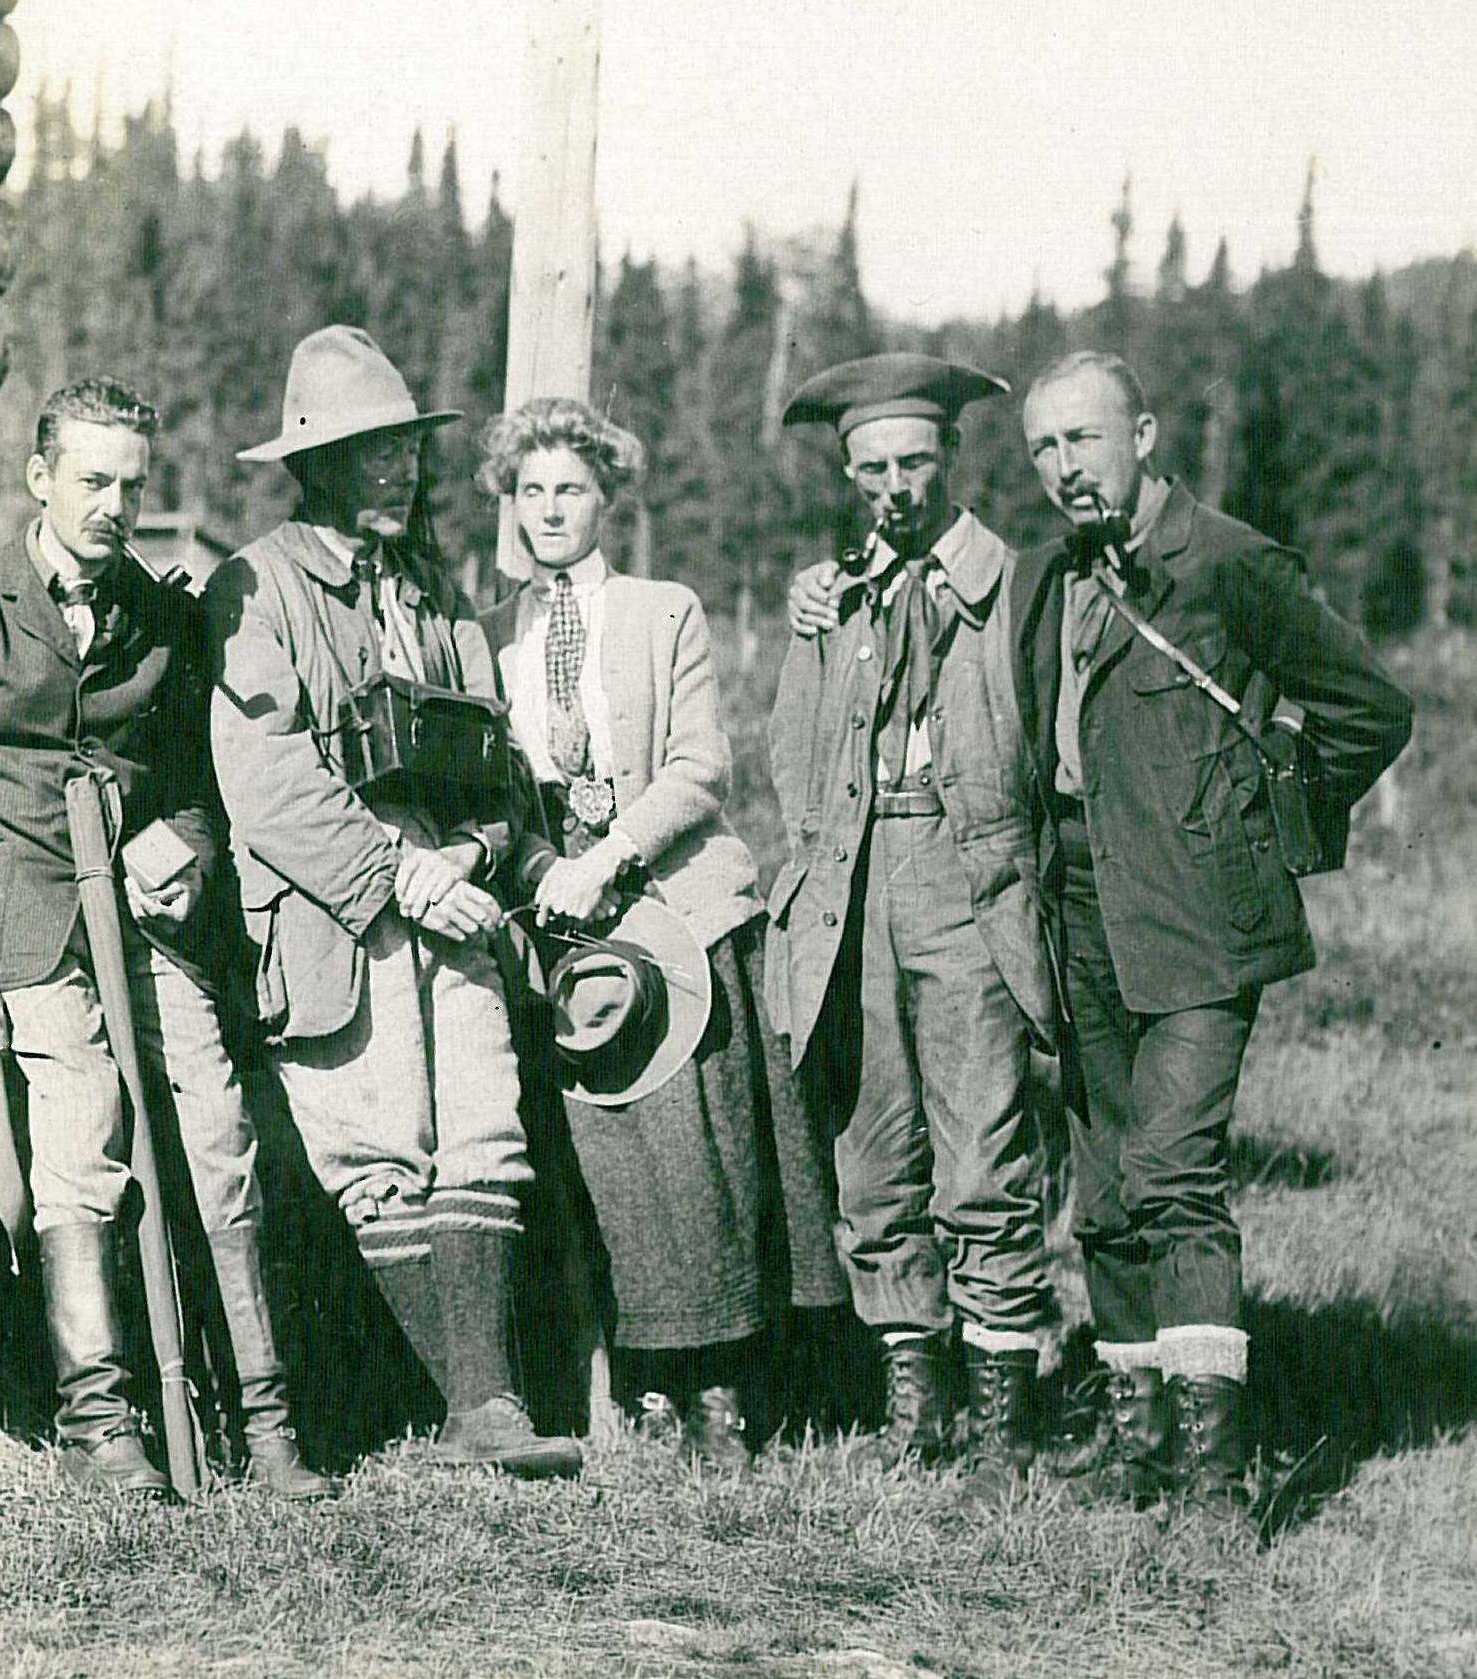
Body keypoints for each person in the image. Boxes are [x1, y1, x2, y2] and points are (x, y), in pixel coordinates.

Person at [0, 378, 328, 1500]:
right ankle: (100, 1422)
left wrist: (185, 845)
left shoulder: (160, 618)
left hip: (145, 916)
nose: (113, 504)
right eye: (92, 480)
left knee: (216, 1127)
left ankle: (263, 1422)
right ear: (38, 480)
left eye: (131, 484)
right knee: (82, 1127)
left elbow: (197, 788)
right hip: (23, 916)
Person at [1004, 351, 1411, 1505]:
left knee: (1171, 1171)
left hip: (1195, 914)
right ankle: (1135, 1441)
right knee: (1101, 1184)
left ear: (1139, 435)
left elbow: (1368, 706)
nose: (1062, 466)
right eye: (1041, 447)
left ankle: (1214, 1471)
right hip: (1076, 907)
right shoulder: (1048, 577)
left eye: (1081, 439)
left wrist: (1261, 811)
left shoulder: (1224, 560)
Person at [207, 326, 579, 1479]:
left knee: (481, 1129)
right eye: (370, 453)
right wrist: (394, 873)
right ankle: (431, 1409)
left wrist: (468, 850)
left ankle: (485, 1410)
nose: (397, 472)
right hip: (332, 911)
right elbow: (261, 774)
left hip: (450, 903)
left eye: (405, 450)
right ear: (311, 465)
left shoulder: (435, 590)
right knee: (372, 1151)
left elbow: (497, 758)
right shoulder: (254, 586)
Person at [480, 396, 848, 1470]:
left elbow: (700, 765)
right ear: (510, 501)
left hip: (670, 894)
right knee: (608, 1163)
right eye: (531, 490)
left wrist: (612, 857)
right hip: (560, 923)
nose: (551, 510)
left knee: (703, 1152)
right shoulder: (483, 629)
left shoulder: (660, 610)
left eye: (572, 490)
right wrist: (550, 871)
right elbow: (495, 789)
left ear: (607, 499)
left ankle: (726, 1385)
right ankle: (641, 1383)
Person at [766, 355, 1060, 1484]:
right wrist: (813, 627)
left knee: (981, 1144)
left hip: (961, 880)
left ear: (950, 462)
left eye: (912, 463)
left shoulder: (1006, 583)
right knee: (869, 1148)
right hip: (851, 881)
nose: (893, 485)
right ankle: (915, 1407)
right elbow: (791, 759)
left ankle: (999, 1423)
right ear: (847, 476)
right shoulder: (829, 595)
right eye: (870, 467)